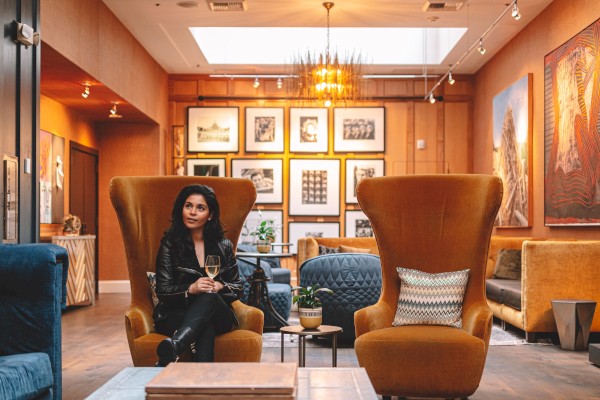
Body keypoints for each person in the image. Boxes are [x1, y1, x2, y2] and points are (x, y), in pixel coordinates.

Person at [153, 184, 243, 365]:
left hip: (218, 313)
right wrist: (191, 288)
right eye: (188, 206)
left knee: (209, 298)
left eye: (200, 208)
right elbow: (162, 290)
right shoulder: (170, 244)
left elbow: (239, 288)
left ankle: (176, 345)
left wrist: (221, 286)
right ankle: (202, 383)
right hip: (177, 312)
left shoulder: (223, 245)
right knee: (203, 326)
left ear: (210, 215)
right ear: (181, 209)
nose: (192, 212)